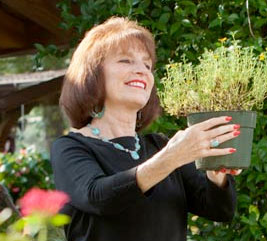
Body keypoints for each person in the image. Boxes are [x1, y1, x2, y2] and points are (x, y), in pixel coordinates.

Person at [51, 17, 241, 241]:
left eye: (147, 65)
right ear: (92, 75)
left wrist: (215, 174)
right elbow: (98, 197)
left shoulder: (159, 146)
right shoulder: (70, 147)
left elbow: (219, 210)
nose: (141, 70)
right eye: (125, 60)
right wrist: (172, 157)